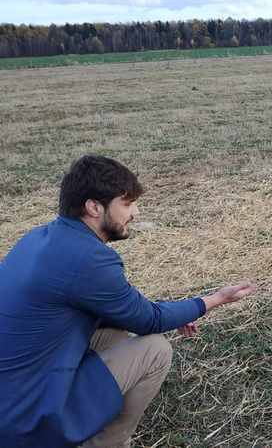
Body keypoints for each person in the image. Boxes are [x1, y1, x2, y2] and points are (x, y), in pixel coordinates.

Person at [0, 155, 257, 447]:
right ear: (94, 207)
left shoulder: (40, 238)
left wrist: (171, 311)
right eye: (127, 203)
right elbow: (149, 321)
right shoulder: (89, 258)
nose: (135, 212)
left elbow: (125, 310)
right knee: (155, 350)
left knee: (116, 332)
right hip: (26, 415)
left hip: (12, 392)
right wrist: (216, 299)